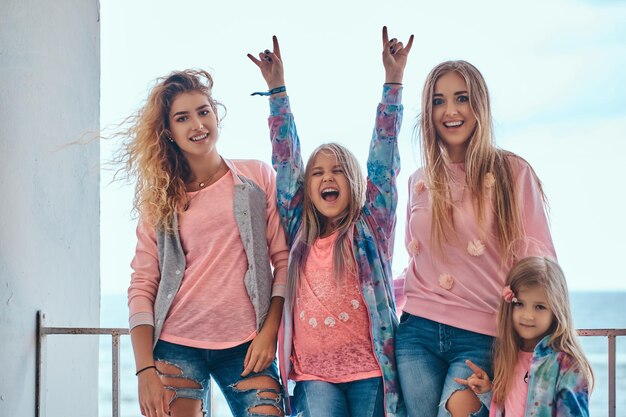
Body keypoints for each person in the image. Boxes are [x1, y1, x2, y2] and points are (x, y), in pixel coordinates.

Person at [247, 27, 412, 417]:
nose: (326, 178)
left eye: (338, 170)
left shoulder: (372, 226)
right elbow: (285, 163)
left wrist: (393, 83)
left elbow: (383, 162)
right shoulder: (298, 230)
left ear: (354, 184)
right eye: (318, 172)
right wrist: (277, 91)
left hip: (371, 373)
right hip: (313, 376)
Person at [122, 69, 289, 417]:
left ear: (216, 114)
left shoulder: (255, 178)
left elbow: (283, 261)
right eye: (183, 118)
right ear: (169, 131)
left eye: (203, 111)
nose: (197, 124)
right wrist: (144, 370)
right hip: (176, 342)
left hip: (247, 343)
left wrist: (269, 332)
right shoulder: (159, 200)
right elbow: (142, 283)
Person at [395, 60, 557, 417]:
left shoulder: (513, 172)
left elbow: (540, 264)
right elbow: (418, 263)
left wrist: (534, 341)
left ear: (479, 105)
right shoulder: (418, 180)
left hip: (483, 332)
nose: (450, 111)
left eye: (461, 98)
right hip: (416, 332)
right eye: (438, 101)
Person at [454, 256, 593, 417]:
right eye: (519, 304)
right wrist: (488, 392)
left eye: (539, 307)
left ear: (556, 311)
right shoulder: (508, 355)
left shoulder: (566, 364)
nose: (528, 316)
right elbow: (513, 407)